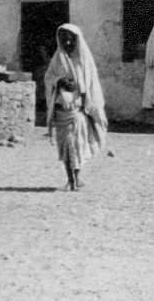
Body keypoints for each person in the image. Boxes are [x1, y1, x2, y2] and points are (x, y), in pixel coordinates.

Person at [45, 23, 107, 191]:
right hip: (61, 112)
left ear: (77, 40)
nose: (67, 43)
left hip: (77, 111)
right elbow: (49, 77)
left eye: (71, 40)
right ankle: (70, 178)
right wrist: (59, 82)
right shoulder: (57, 59)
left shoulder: (84, 60)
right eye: (63, 39)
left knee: (77, 145)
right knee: (65, 147)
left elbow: (91, 83)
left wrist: (81, 91)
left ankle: (76, 177)